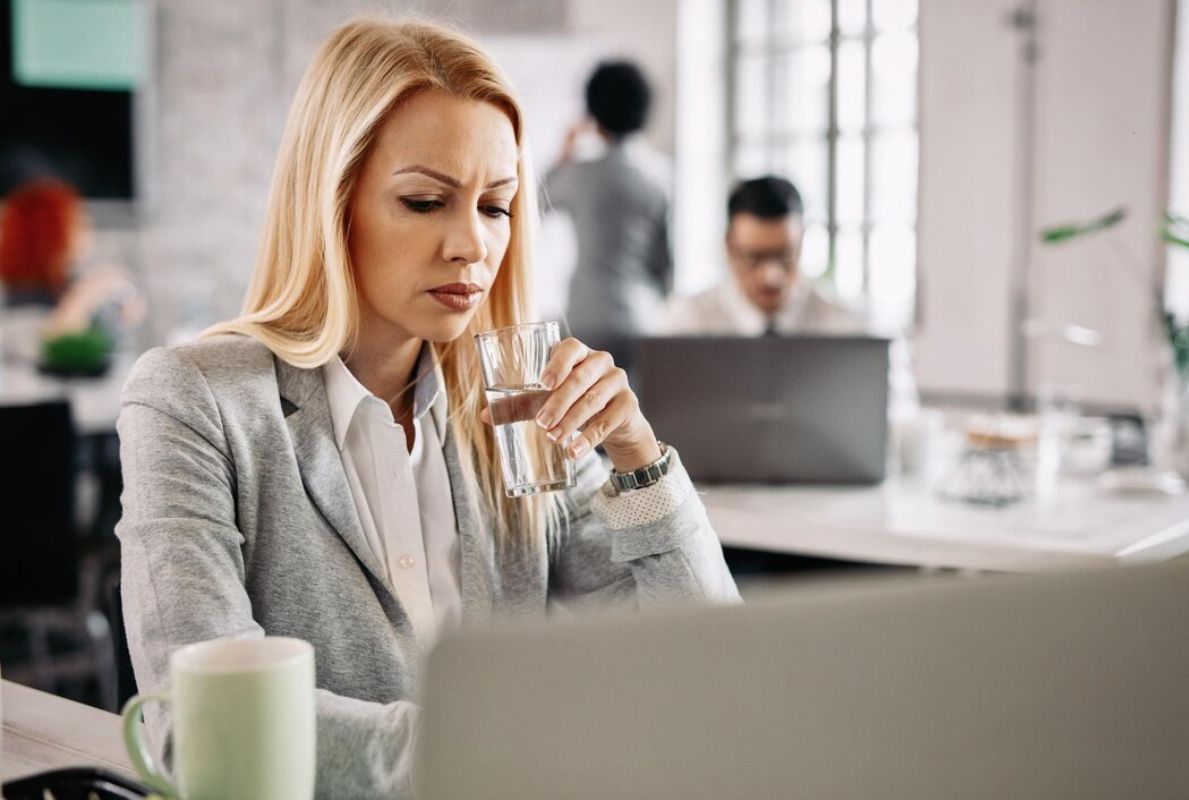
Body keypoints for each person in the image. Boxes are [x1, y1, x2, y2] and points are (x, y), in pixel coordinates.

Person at [116, 18, 738, 800]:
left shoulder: (516, 401)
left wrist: (639, 458)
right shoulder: (195, 400)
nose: (472, 246)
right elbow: (195, 721)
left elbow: (710, 667)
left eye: (496, 206)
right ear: (331, 201)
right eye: (424, 201)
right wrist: (514, 752)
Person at [665, 175, 919, 418]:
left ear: (803, 243)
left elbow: (902, 422)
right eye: (754, 257)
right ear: (729, 247)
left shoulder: (851, 327)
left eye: (785, 256)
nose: (771, 276)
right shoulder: (686, 320)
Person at [542, 60, 673, 369]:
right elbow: (665, 264)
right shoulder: (661, 178)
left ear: (593, 115)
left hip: (585, 315)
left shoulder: (579, 174)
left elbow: (535, 204)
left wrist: (562, 157)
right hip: (638, 317)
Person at [0, 178, 144, 363]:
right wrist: (90, 291)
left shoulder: (69, 283)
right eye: (76, 221)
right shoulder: (15, 296)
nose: (88, 227)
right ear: (47, 233)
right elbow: (50, 346)